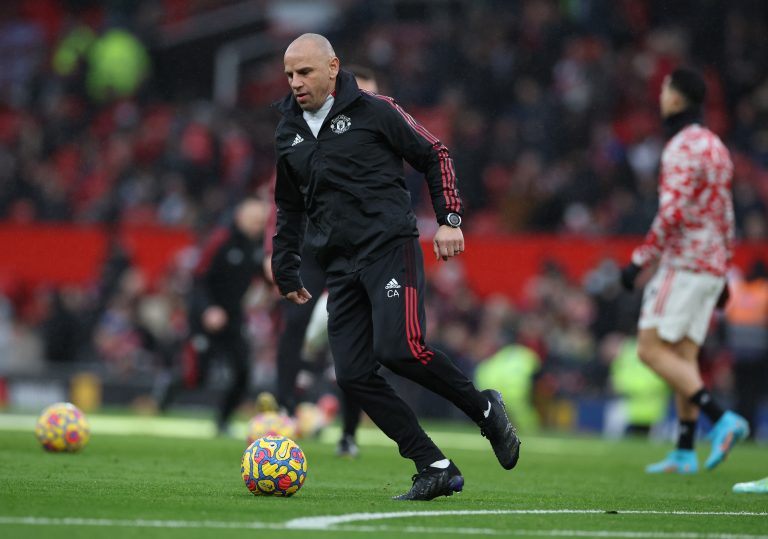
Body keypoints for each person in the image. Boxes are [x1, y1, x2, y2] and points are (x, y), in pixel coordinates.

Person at [271, 33, 520, 500]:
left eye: (304, 72)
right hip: (339, 264)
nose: (295, 83)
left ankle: (485, 409)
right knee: (352, 375)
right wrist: (285, 265)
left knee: (400, 348)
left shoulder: (375, 109)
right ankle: (434, 464)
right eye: (289, 75)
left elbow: (434, 153)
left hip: (389, 248)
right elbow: (289, 204)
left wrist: (449, 220)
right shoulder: (288, 128)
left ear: (332, 67)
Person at [620, 67, 749, 473]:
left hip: (684, 263)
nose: (661, 97)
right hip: (711, 266)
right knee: (682, 356)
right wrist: (725, 270)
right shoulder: (716, 147)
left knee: (650, 349)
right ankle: (683, 450)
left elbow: (671, 212)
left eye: (664, 90)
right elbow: (726, 214)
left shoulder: (680, 148)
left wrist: (640, 262)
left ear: (677, 99)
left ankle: (721, 418)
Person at [264, 65, 381, 458]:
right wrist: (275, 250)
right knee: (294, 323)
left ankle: (348, 431)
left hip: (362, 248)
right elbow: (283, 195)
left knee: (355, 341)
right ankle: (284, 410)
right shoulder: (308, 130)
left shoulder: (383, 132)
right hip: (316, 243)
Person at [156, 198, 268, 435]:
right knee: (198, 376)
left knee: (243, 371)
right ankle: (169, 388)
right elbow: (198, 281)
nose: (257, 225)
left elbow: (262, 274)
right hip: (205, 319)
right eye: (254, 219)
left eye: (261, 221)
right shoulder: (220, 241)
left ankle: (223, 421)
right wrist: (208, 309)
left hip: (234, 318)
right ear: (240, 217)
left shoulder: (258, 245)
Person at [724, 259, 768, 437]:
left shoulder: (738, 290)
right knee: (754, 394)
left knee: (740, 394)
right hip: (759, 353)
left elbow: (726, 321)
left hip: (737, 352)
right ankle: (750, 430)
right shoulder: (764, 291)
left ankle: (739, 430)